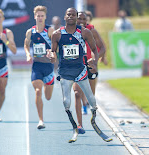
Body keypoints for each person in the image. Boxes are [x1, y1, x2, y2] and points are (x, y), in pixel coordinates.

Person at [48, 7, 99, 142]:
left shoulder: (84, 32)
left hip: (80, 70)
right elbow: (53, 51)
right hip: (64, 71)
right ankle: (75, 125)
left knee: (91, 99)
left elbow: (94, 49)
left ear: (76, 17)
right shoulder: (57, 34)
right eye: (68, 14)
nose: (70, 16)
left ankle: (93, 118)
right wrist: (52, 56)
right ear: (65, 17)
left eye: (73, 15)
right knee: (66, 101)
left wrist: (94, 61)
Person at [73, 11, 106, 134]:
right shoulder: (69, 31)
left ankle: (87, 105)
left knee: (91, 95)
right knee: (77, 92)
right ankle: (79, 125)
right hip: (77, 66)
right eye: (79, 19)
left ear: (87, 20)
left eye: (83, 19)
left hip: (90, 65)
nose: (81, 21)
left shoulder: (91, 31)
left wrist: (95, 59)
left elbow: (102, 48)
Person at [24, 5, 54, 129]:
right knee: (37, 91)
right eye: (38, 16)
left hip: (48, 66)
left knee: (48, 96)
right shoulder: (30, 32)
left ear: (45, 17)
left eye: (42, 16)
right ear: (34, 17)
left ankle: (48, 85)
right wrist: (28, 54)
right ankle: (41, 120)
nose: (40, 18)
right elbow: (26, 45)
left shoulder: (50, 31)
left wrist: (52, 52)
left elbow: (56, 45)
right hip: (37, 66)